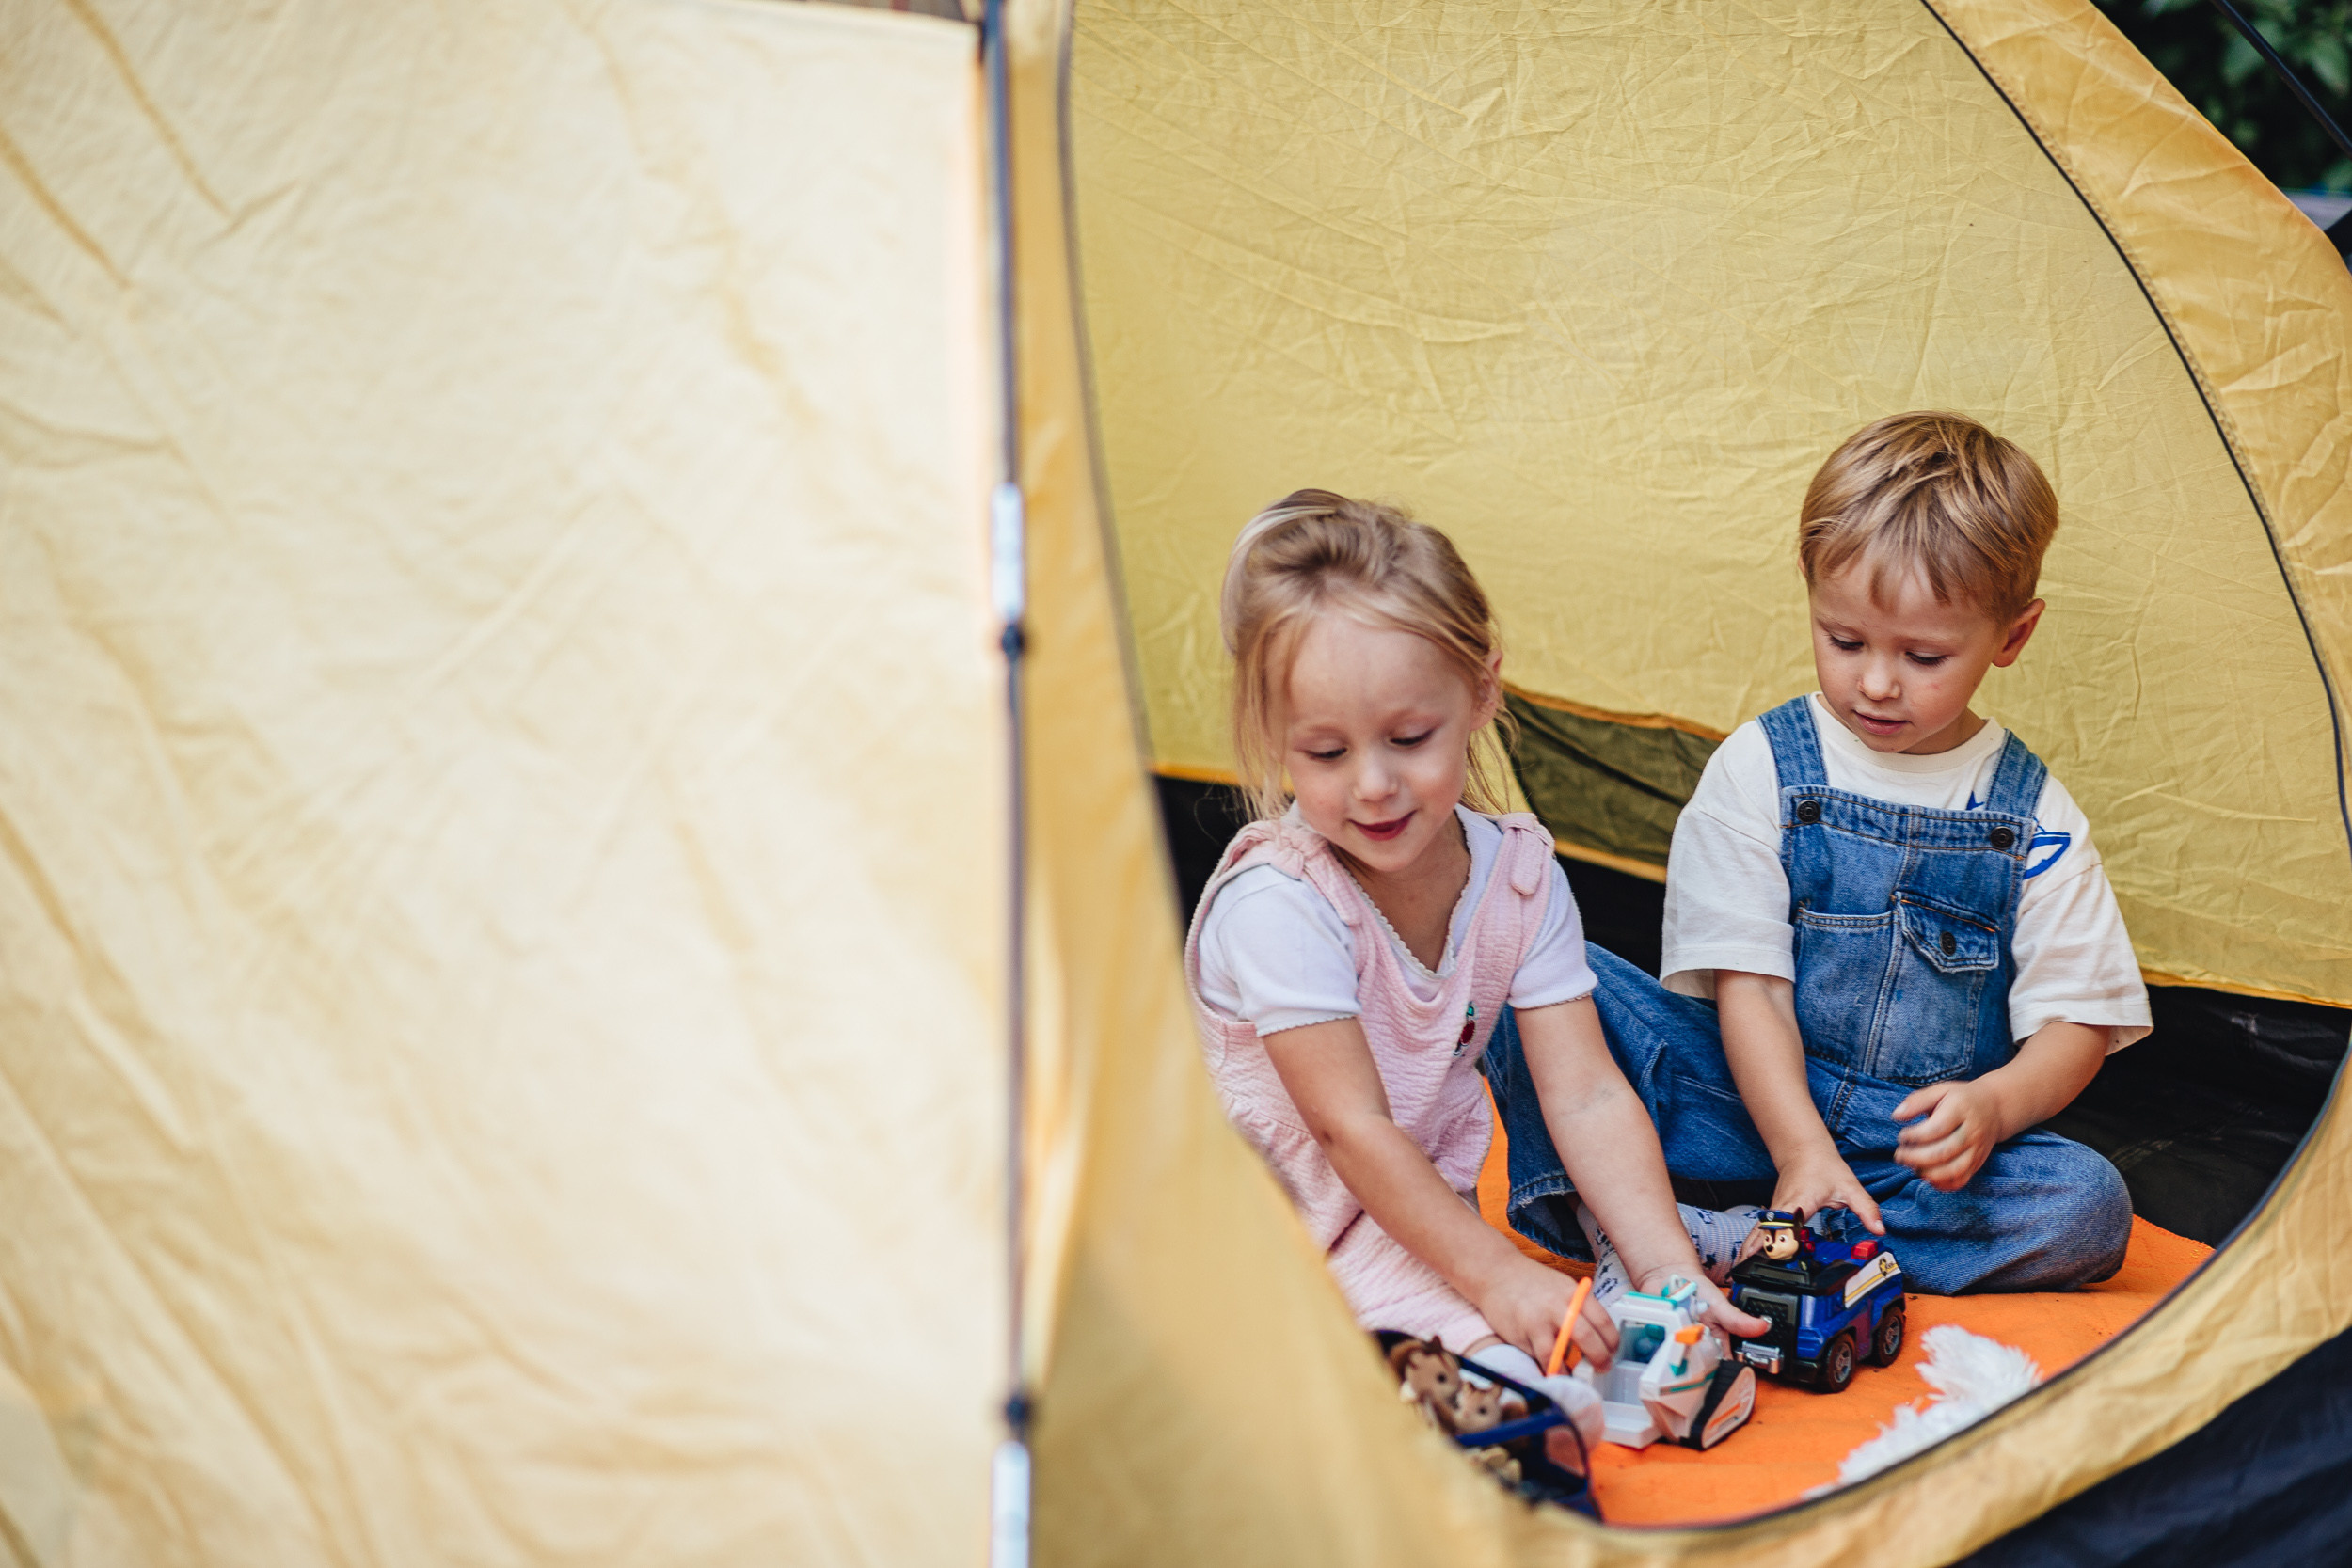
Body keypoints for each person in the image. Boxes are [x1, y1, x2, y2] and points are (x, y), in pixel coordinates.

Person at [1488, 412, 2145, 1295]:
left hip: (1905, 1152)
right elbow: (1748, 985)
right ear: (1810, 589)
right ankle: (1651, 1211)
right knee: (1530, 980)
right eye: (1845, 641)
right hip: (1743, 1104)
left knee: (2087, 1205)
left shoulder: (2033, 815)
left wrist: (1993, 1108)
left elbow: (2079, 1023)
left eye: (1923, 655)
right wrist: (1798, 1147)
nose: (1876, 681)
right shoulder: (1762, 766)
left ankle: (1738, 1234)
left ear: (2012, 637)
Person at [1185, 488, 1767, 1437]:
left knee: (1574, 1372)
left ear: (1480, 693)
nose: (1372, 784)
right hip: (1267, 1240)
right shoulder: (1277, 905)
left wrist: (1667, 1269)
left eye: (1409, 739)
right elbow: (1352, 1130)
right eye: (1324, 752)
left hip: (1413, 1224)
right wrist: (1497, 1273)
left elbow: (1582, 1091)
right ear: (1275, 739)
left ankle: (1552, 1366)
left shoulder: (1519, 878)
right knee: (1510, 1385)